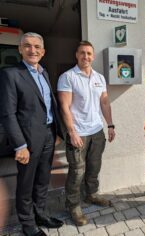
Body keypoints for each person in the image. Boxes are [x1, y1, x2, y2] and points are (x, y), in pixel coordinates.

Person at [0, 32, 64, 236]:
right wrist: (20, 145)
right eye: (27, 46)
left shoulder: (43, 73)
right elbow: (7, 114)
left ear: (43, 52)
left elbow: (49, 106)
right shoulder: (10, 74)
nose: (32, 50)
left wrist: (56, 132)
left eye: (37, 47)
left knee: (43, 179)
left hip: (47, 135)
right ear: (20, 49)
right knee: (26, 184)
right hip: (27, 140)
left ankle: (40, 215)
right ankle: (28, 225)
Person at [57, 41, 116, 226]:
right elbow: (64, 107)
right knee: (76, 171)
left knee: (94, 167)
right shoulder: (67, 77)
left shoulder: (99, 77)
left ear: (93, 56)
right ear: (76, 55)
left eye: (89, 53)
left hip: (97, 131)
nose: (86, 56)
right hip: (79, 133)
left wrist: (111, 125)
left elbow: (104, 103)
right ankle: (73, 205)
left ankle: (91, 195)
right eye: (82, 53)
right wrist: (72, 132)